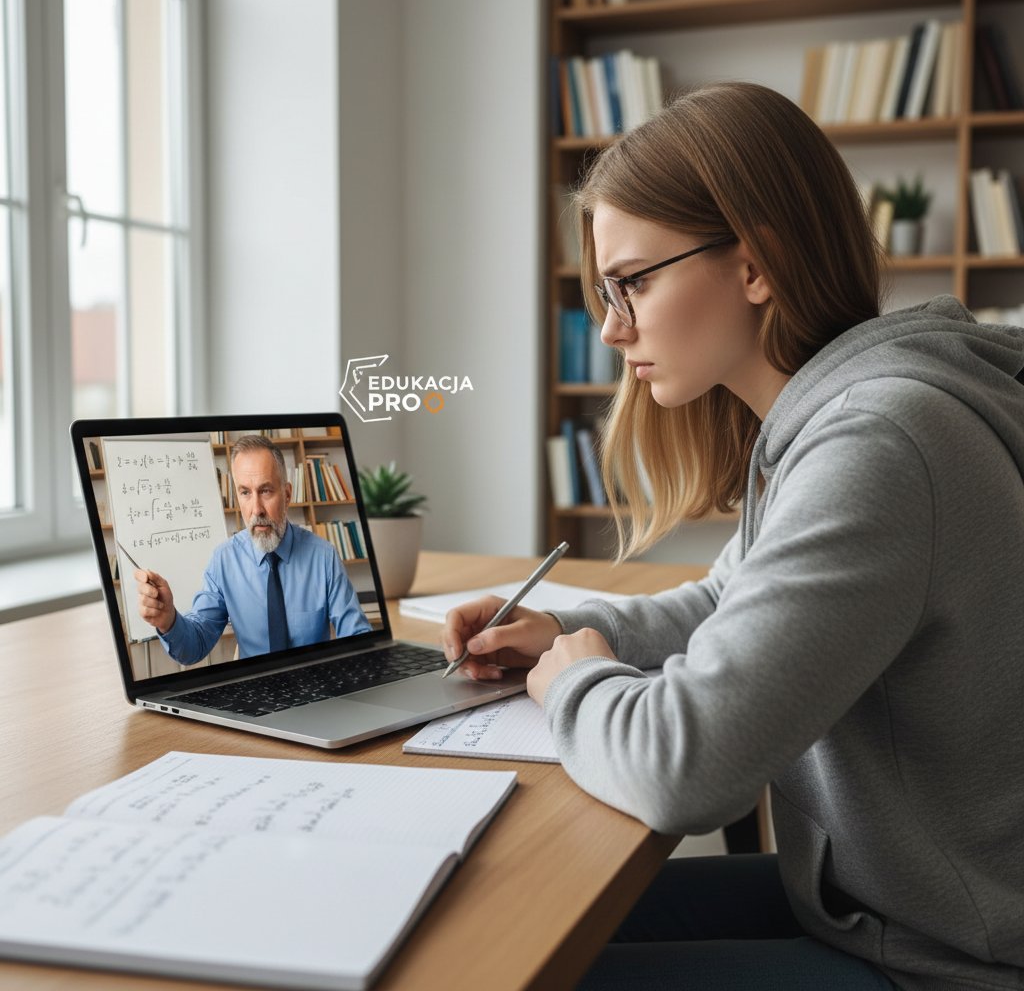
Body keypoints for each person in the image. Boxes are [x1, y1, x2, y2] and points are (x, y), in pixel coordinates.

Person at [441, 82, 1024, 991]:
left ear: (755, 266)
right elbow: (729, 597)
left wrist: (574, 685)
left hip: (943, 955)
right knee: (495, 926)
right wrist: (561, 634)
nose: (609, 326)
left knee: (508, 970)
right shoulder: (843, 413)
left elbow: (687, 769)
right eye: (605, 290)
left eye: (633, 282)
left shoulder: (881, 444)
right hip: (880, 900)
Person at [135, 434, 370, 663]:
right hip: (255, 694)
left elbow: (358, 638)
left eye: (266, 491)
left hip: (315, 690)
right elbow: (194, 646)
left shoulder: (323, 556)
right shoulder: (223, 561)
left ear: (287, 495)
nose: (256, 509)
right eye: (245, 492)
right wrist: (169, 621)